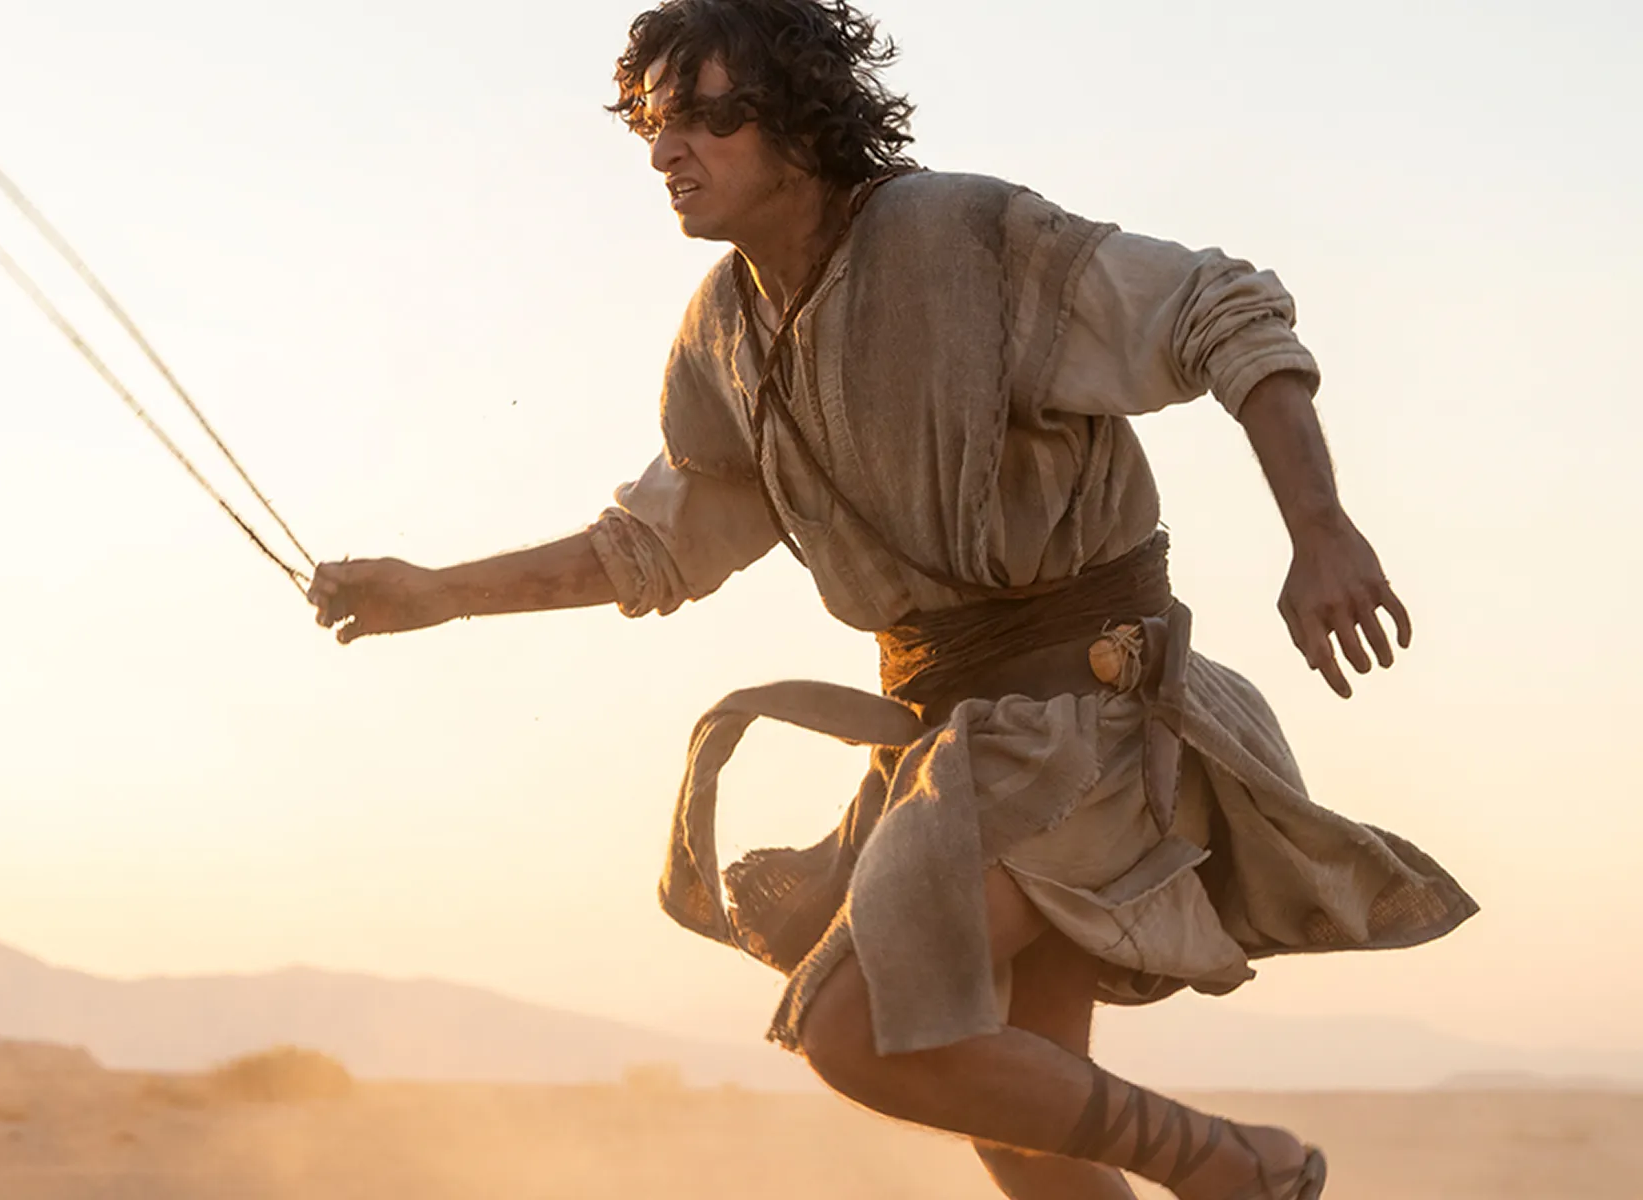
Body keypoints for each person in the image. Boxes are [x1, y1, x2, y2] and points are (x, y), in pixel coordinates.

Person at [308, 2, 1476, 1196]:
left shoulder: (963, 238)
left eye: (710, 116)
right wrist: (435, 592)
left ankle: (1237, 1167)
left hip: (1086, 723)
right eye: (653, 123)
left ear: (802, 121)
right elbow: (652, 544)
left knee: (862, 1025)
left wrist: (1318, 528)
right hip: (945, 742)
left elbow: (1215, 309)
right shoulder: (721, 334)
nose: (668, 150)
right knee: (1018, 1122)